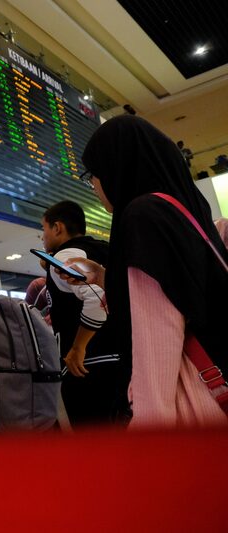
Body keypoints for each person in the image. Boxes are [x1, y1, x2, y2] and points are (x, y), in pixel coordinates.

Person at [72, 114, 228, 428]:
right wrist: (107, 276)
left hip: (189, 404)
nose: (92, 184)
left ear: (116, 165)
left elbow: (156, 344)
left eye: (92, 173)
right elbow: (184, 290)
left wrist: (149, 444)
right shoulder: (182, 211)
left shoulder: (142, 216)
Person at [40, 201, 123, 426]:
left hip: (90, 365)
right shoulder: (105, 249)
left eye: (44, 229)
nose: (42, 237)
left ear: (57, 227)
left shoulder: (65, 255)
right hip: (121, 357)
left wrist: (78, 347)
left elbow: (97, 300)